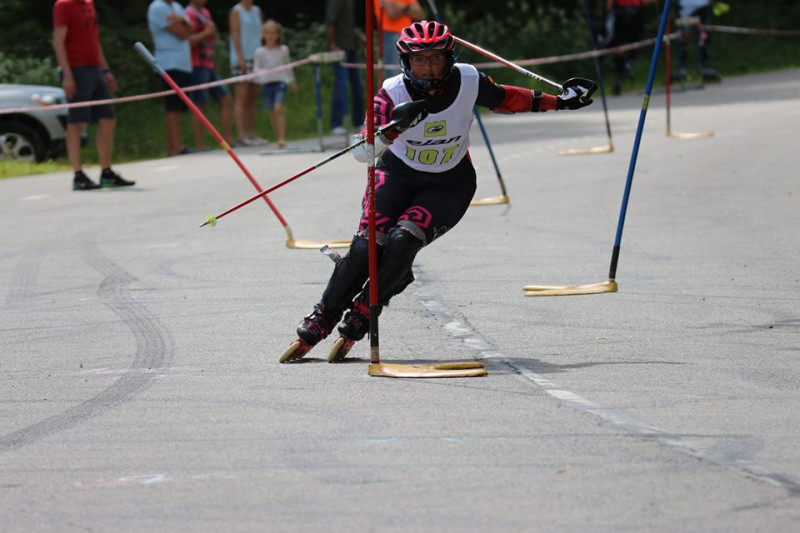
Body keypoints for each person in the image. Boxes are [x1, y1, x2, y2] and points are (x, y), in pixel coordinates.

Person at [280, 20, 596, 363]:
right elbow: (362, 152)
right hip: (396, 176)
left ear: (449, 59)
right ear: (406, 62)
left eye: (435, 59)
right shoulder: (392, 92)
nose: (428, 68)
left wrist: (560, 101)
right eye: (420, 60)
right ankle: (322, 318)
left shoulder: (469, 79)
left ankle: (363, 313)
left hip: (450, 183)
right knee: (367, 244)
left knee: (403, 240)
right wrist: (393, 129)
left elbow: (507, 98)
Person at [52, 0, 134, 191]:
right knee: (77, 122)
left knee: (108, 118)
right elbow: (58, 40)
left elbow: (94, 39)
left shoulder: (89, 3)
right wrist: (67, 75)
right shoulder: (63, 5)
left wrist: (105, 70)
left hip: (95, 68)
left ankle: (106, 172)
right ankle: (78, 174)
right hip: (76, 69)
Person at [148, 0, 195, 157]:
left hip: (182, 62)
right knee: (172, 106)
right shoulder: (158, 7)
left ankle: (176, 144)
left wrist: (182, 21)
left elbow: (191, 29)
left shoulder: (177, 7)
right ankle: (174, 147)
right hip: (169, 63)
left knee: (179, 107)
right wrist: (184, 23)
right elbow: (182, 33)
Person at [185, 0, 234, 151]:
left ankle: (228, 141)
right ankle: (200, 145)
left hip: (209, 63)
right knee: (200, 104)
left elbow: (212, 37)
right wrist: (206, 33)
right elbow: (187, 41)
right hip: (196, 64)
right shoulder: (188, 14)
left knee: (226, 99)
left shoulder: (205, 13)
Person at [254, 20, 299, 149]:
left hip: (280, 83)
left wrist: (292, 82)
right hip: (267, 84)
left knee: (278, 108)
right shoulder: (260, 52)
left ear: (278, 34)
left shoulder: (283, 50)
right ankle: (278, 136)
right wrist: (260, 77)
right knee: (272, 112)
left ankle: (282, 138)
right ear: (263, 35)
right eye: (267, 33)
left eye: (273, 33)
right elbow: (256, 69)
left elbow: (287, 66)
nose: (270, 36)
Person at [229, 0, 267, 146]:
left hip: (257, 57)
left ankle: (251, 134)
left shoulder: (257, 10)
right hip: (242, 59)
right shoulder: (236, 11)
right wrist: (240, 58)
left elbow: (262, 34)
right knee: (241, 97)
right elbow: (235, 35)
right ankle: (241, 135)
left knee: (252, 97)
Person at [325, 0, 365, 135]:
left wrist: (359, 37)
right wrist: (333, 45)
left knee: (357, 86)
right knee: (341, 86)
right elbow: (330, 22)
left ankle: (358, 122)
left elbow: (347, 25)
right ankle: (336, 124)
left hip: (351, 47)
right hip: (341, 48)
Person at [604, 0, 655, 96]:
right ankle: (628, 64)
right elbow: (644, 2)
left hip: (620, 14)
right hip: (635, 14)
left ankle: (619, 77)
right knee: (636, 43)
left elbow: (609, 3)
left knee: (620, 47)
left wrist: (609, 13)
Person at [373, 0, 424, 82]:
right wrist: (408, 7)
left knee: (411, 73)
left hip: (408, 35)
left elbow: (419, 13)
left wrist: (402, 7)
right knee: (395, 76)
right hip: (391, 34)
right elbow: (392, 12)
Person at [675, 0, 720, 82]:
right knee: (683, 39)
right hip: (685, 14)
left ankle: (704, 66)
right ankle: (682, 68)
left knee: (702, 39)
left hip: (698, 11)